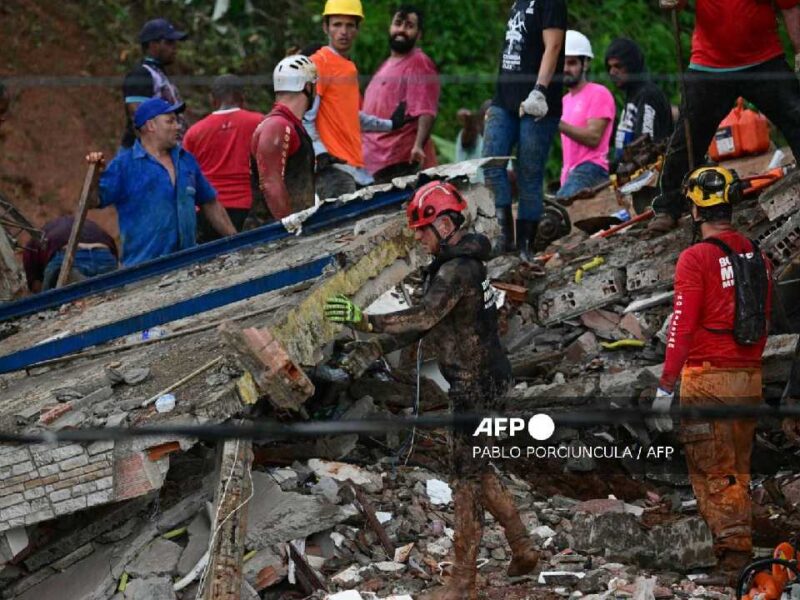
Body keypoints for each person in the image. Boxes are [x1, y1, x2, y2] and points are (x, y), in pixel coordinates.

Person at [324, 181, 539, 599]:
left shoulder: (457, 271)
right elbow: (431, 323)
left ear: (443, 224)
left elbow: (423, 317)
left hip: (475, 387)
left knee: (464, 482)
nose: (419, 240)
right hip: (488, 380)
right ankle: (523, 547)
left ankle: (462, 581)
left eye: (422, 231)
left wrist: (365, 321)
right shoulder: (458, 264)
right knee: (477, 470)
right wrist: (371, 347)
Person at [650, 165, 772, 581]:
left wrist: (665, 388)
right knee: (738, 467)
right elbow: (766, 319)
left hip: (708, 378)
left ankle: (735, 561)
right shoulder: (757, 255)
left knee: (714, 471)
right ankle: (741, 549)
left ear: (695, 208)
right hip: (749, 377)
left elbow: (681, 328)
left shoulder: (695, 258)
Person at [650, 0, 800, 232]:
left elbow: (790, 7)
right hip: (709, 63)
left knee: (796, 115)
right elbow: (676, 3)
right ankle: (668, 206)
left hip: (764, 58)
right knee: (688, 135)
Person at [86, 98, 236, 267]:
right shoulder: (124, 165)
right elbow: (93, 201)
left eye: (177, 121)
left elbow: (210, 203)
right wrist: (95, 176)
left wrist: (236, 241)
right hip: (144, 269)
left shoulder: (185, 160)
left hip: (188, 264)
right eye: (170, 121)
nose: (178, 126)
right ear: (151, 125)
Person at [482, 0, 567, 262]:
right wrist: (496, 100)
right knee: (491, 164)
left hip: (537, 101)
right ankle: (503, 238)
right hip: (505, 99)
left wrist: (539, 91)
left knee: (528, 172)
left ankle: (525, 246)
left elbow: (553, 45)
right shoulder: (518, 2)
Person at [306, 0, 409, 199]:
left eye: (349, 25)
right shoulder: (319, 63)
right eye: (337, 25)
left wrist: (391, 124)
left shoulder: (348, 67)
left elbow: (350, 116)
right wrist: (320, 153)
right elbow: (306, 117)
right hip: (332, 170)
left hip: (354, 169)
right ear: (326, 27)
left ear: (357, 29)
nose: (343, 32)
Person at [362, 5, 440, 183]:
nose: (402, 30)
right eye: (398, 23)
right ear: (390, 27)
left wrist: (418, 146)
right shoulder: (385, 65)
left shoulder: (418, 63)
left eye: (409, 26)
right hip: (374, 165)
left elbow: (426, 110)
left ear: (419, 35)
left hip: (401, 163)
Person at [182, 74, 265, 241]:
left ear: (212, 99)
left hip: (207, 211)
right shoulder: (260, 123)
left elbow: (186, 175)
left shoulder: (194, 132)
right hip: (248, 208)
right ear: (242, 97)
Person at [247, 55, 318, 227]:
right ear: (308, 87)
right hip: (273, 232)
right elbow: (271, 184)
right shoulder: (278, 125)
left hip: (288, 227)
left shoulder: (289, 125)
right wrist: (290, 228)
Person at [556, 30, 616, 199]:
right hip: (571, 174)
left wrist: (556, 122)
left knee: (556, 211)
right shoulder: (564, 101)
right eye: (562, 63)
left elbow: (593, 137)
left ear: (586, 64)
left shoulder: (598, 93)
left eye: (572, 63)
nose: (565, 69)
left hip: (593, 169)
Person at [120, 18, 188, 150]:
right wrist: (153, 155)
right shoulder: (141, 74)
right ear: (153, 45)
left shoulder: (158, 73)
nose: (174, 48)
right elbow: (138, 117)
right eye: (169, 42)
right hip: (142, 154)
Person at [604, 38, 673, 167]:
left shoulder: (647, 95)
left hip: (648, 174)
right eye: (610, 67)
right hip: (630, 172)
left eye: (618, 66)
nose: (612, 72)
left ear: (632, 65)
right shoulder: (633, 95)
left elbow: (646, 148)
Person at [22, 217, 118, 292]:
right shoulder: (89, 225)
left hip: (69, 257)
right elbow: (113, 250)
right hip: (104, 255)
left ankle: (74, 279)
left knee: (45, 303)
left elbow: (35, 286)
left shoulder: (35, 241)